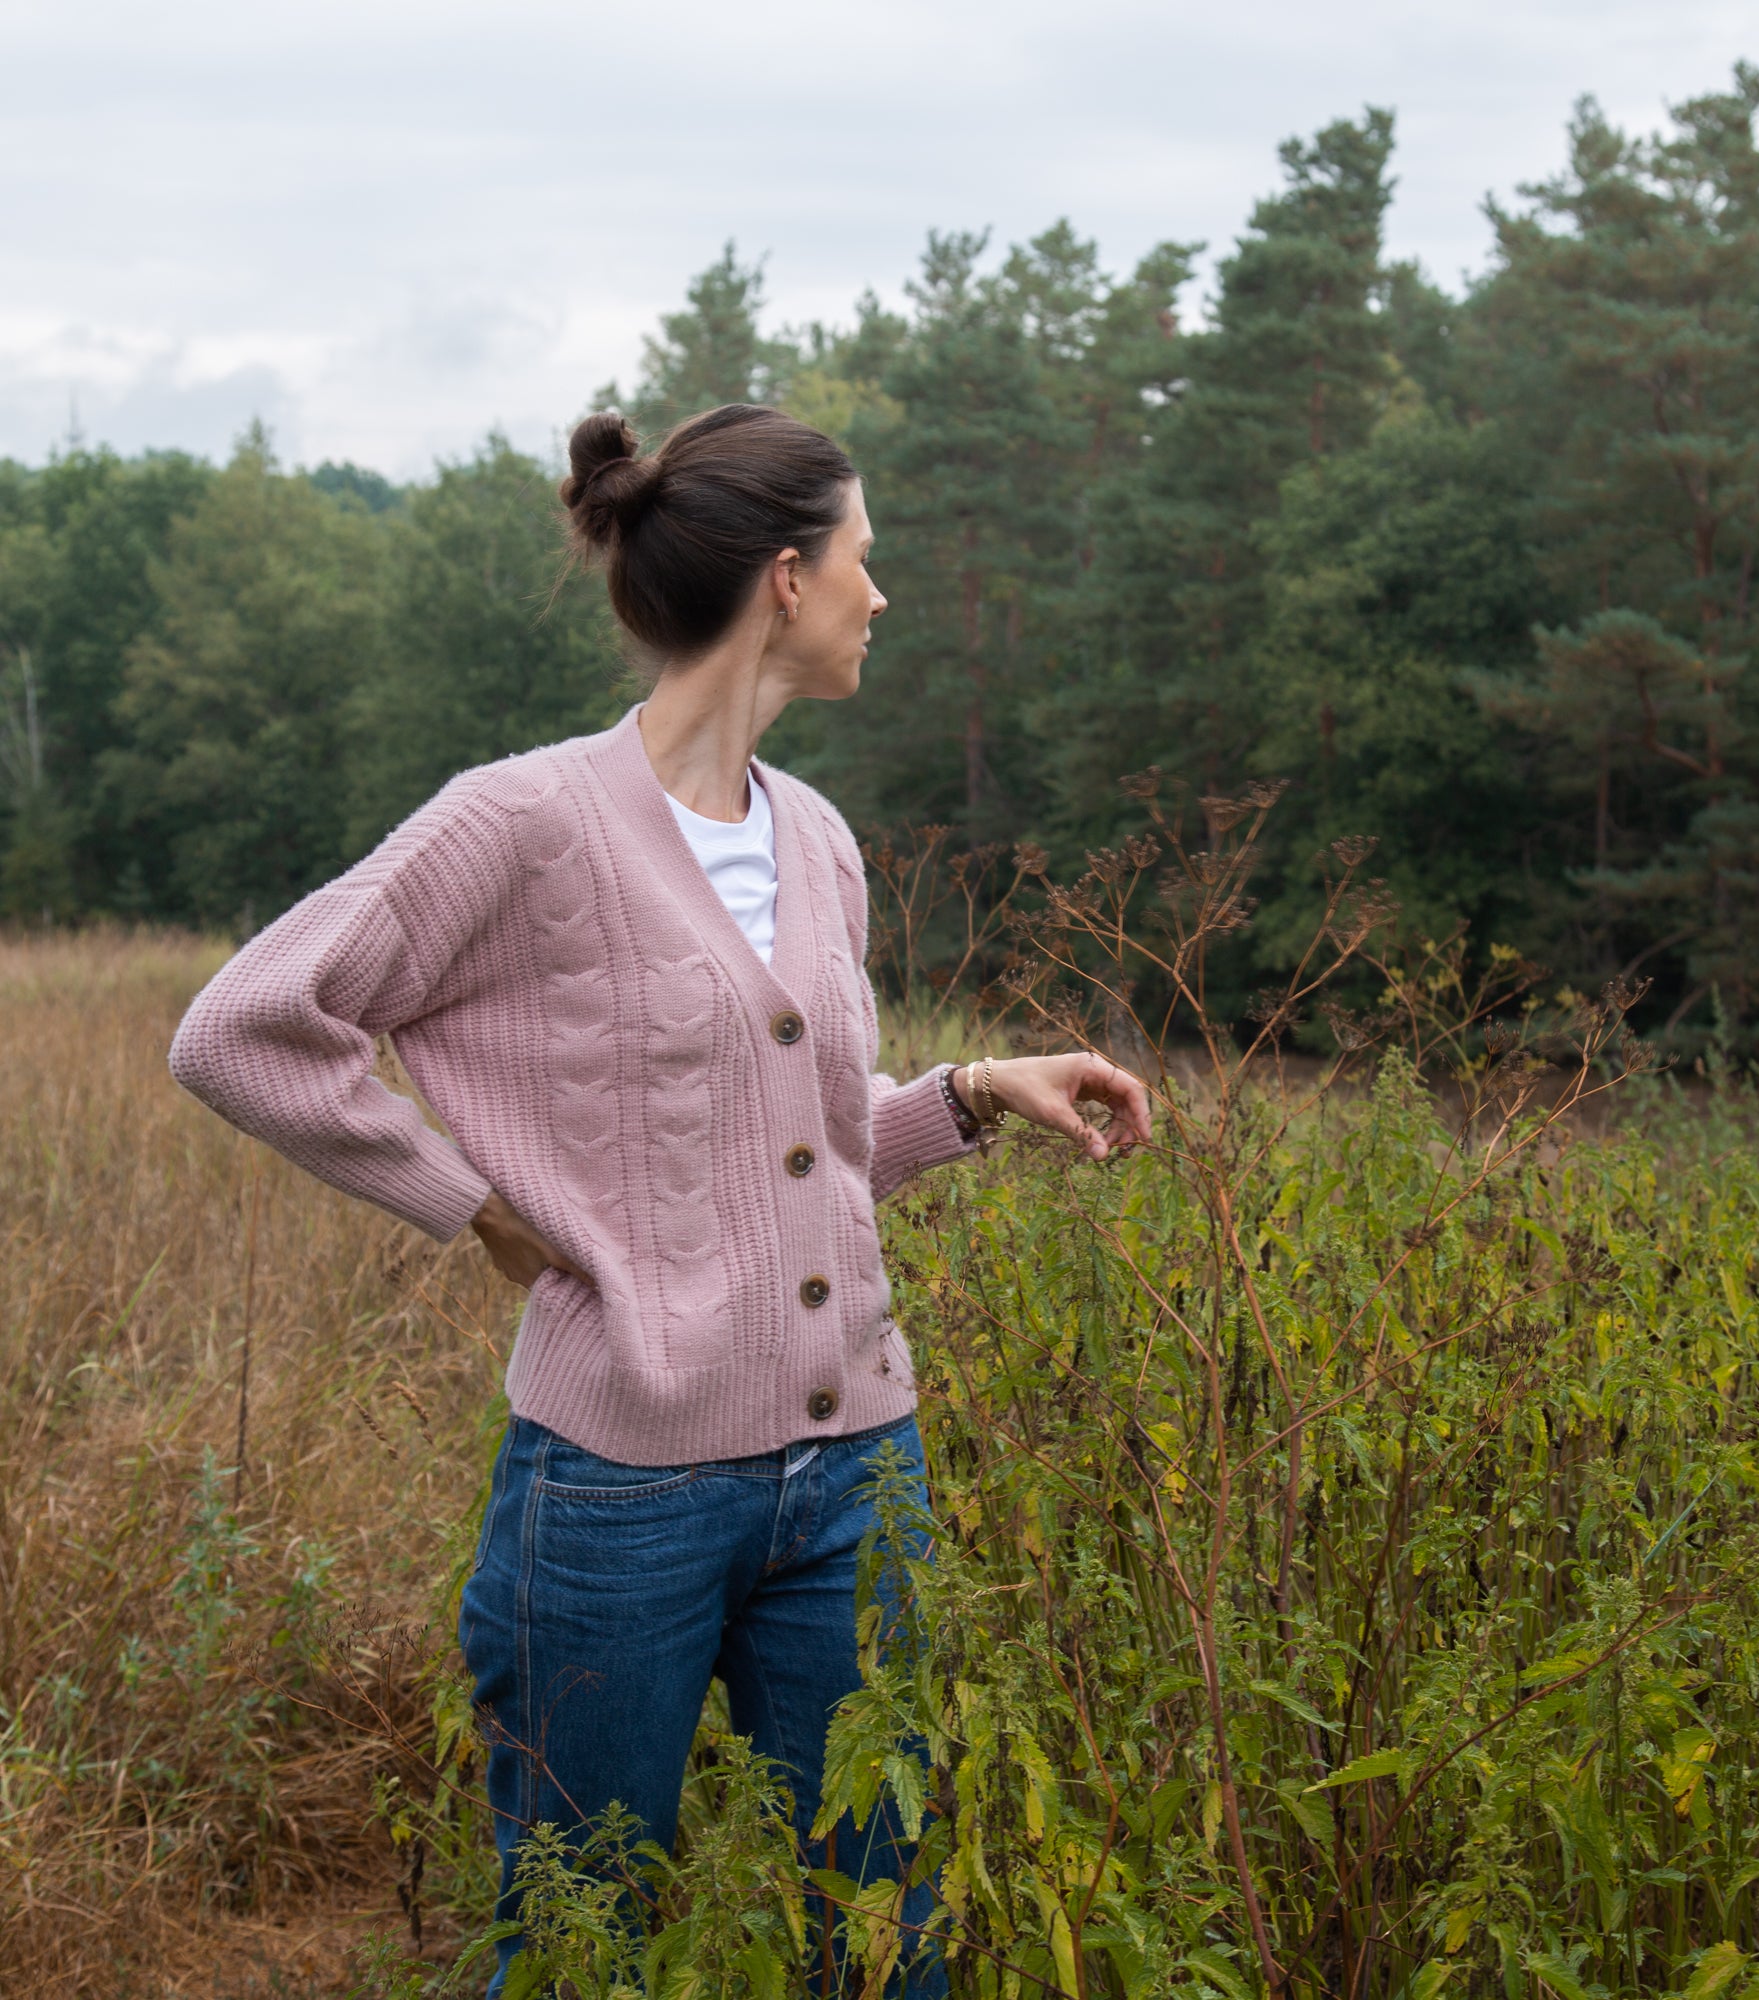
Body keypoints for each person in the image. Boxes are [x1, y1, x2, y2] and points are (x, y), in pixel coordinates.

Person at [167, 402, 1151, 1996]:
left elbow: (804, 1162)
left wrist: (973, 1097)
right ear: (784, 578)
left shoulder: (819, 841)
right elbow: (240, 1028)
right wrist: (464, 1199)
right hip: (620, 1494)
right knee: (578, 1941)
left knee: (892, 1939)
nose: (879, 595)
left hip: (856, 1481)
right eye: (864, 559)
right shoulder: (523, 822)